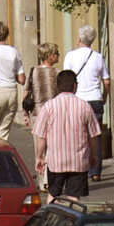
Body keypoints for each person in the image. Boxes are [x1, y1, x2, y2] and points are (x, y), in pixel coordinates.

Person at [33, 68, 101, 199]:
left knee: (53, 195)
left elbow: (41, 136)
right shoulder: (84, 106)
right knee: (74, 198)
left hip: (55, 162)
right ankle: (73, 218)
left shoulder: (49, 106)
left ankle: (51, 218)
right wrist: (93, 155)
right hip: (78, 161)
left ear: (57, 86)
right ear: (75, 85)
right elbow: (93, 135)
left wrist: (39, 157)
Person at [63, 25, 110, 125]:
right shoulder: (98, 57)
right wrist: (104, 96)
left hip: (77, 98)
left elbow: (66, 78)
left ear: (79, 39)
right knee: (96, 133)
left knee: (78, 132)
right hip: (95, 98)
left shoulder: (70, 56)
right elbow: (106, 81)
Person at [27, 43, 60, 120]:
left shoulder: (32, 71)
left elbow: (26, 92)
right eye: (56, 53)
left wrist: (25, 114)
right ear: (49, 56)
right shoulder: (57, 72)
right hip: (53, 112)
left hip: (37, 113)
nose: (59, 55)